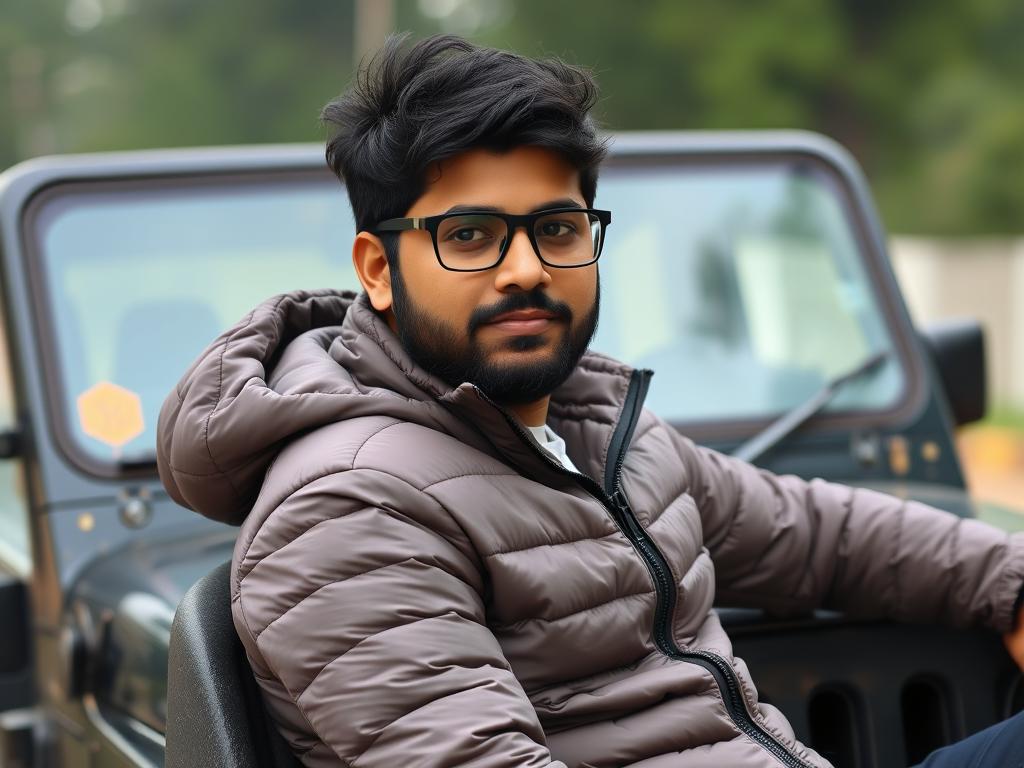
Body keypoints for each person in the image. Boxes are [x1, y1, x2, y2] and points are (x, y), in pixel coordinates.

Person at [156, 34, 1024, 768]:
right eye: (470, 236)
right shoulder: (347, 507)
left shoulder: (592, 426)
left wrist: (1010, 582)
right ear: (378, 271)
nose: (528, 268)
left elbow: (812, 531)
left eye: (557, 229)